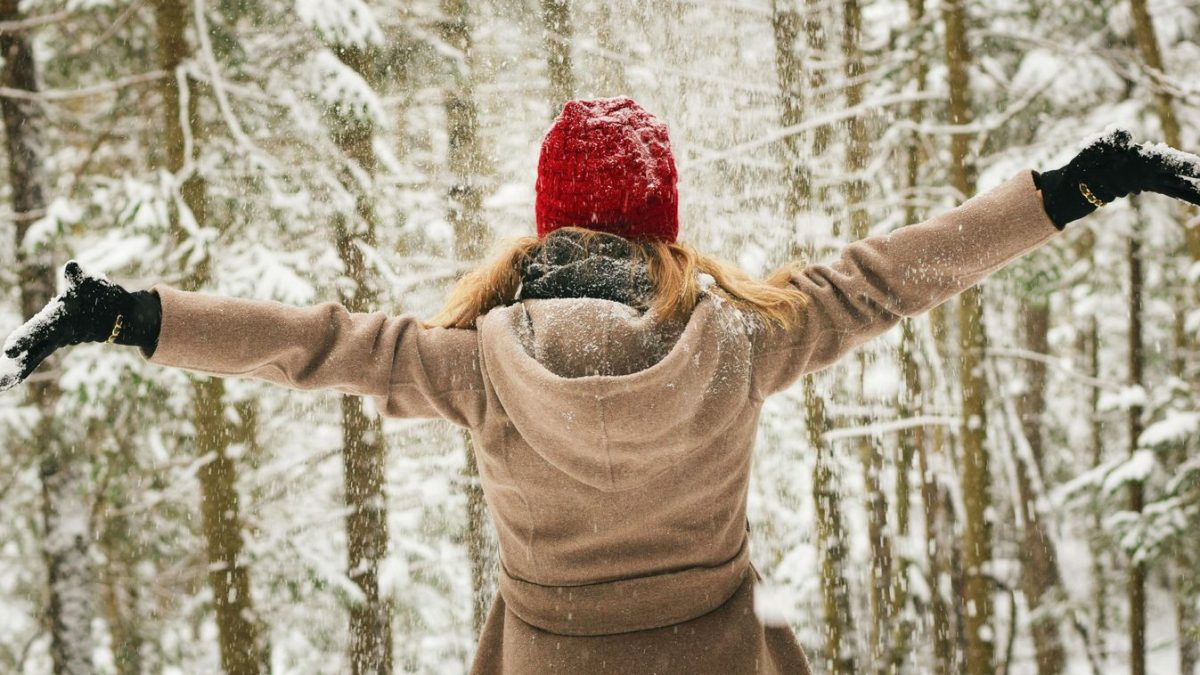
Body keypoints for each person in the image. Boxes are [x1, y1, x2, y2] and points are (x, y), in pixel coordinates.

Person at [2, 97, 1199, 674]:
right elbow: (895, 277)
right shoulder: (743, 340)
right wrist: (1077, 184)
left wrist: (130, 315)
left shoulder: (477, 366)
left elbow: (314, 344)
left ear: (545, 225)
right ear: (663, 227)